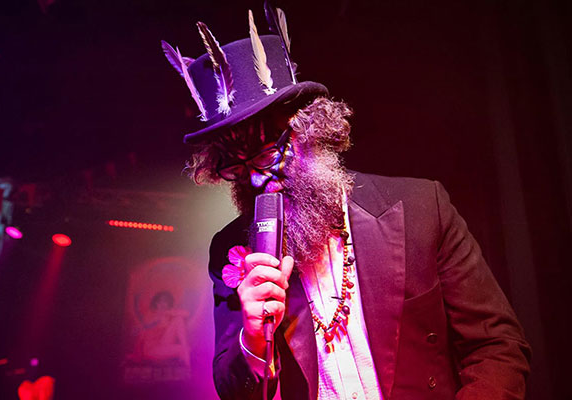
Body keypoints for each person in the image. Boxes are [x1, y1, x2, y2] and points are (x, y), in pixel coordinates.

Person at [162, 6, 530, 400]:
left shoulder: (423, 207)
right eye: (238, 166)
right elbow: (238, 392)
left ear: (311, 130)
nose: (255, 179)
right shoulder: (231, 250)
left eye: (268, 155)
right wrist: (252, 340)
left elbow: (496, 347)